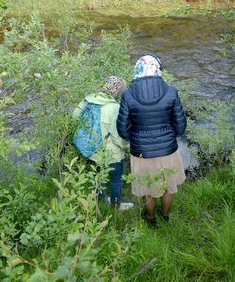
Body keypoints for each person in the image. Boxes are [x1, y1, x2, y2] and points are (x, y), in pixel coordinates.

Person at [116, 54, 187, 228]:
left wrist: (135, 138)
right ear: (158, 69)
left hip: (141, 152)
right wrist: (171, 136)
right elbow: (180, 125)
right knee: (168, 186)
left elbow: (122, 129)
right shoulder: (171, 91)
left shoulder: (127, 95)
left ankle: (150, 218)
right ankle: (165, 215)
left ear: (137, 69)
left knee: (147, 188)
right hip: (168, 149)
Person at [73, 76, 134, 211]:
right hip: (112, 152)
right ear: (118, 92)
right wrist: (128, 146)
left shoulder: (88, 99)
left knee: (98, 175)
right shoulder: (115, 107)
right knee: (116, 179)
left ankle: (100, 199)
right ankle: (116, 206)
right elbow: (118, 136)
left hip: (93, 149)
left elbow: (75, 116)